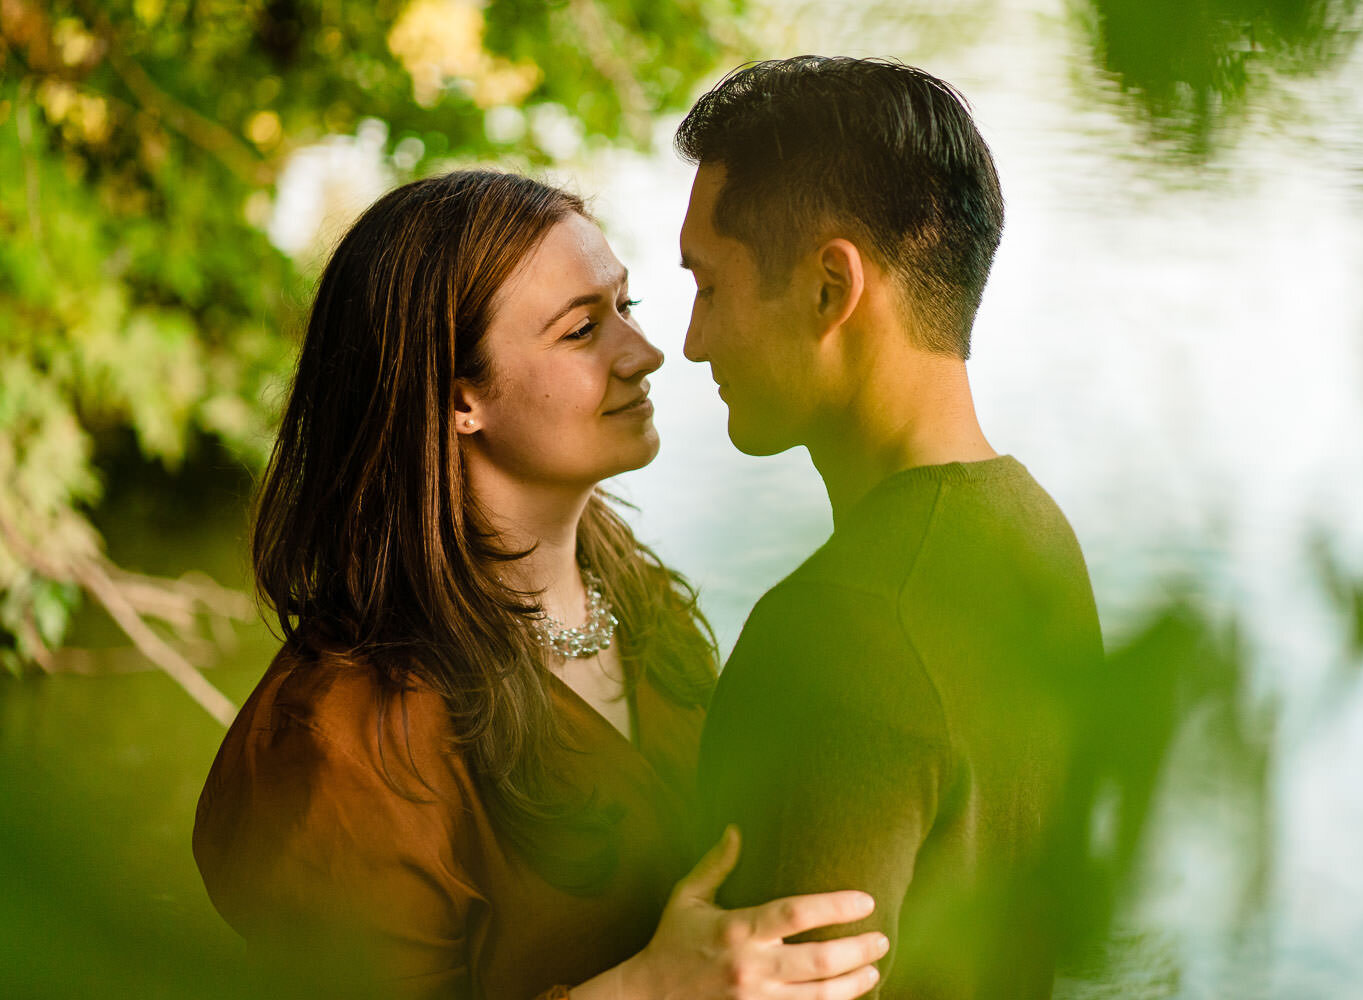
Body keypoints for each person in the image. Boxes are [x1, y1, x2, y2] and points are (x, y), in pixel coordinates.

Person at [192, 170, 890, 1000]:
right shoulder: (338, 749)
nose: (645, 354)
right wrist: (650, 992)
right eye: (580, 331)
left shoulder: (642, 602)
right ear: (460, 401)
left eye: (624, 309)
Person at [677, 57, 1105, 998]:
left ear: (833, 289)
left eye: (708, 286)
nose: (692, 340)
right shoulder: (1037, 536)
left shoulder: (840, 629)